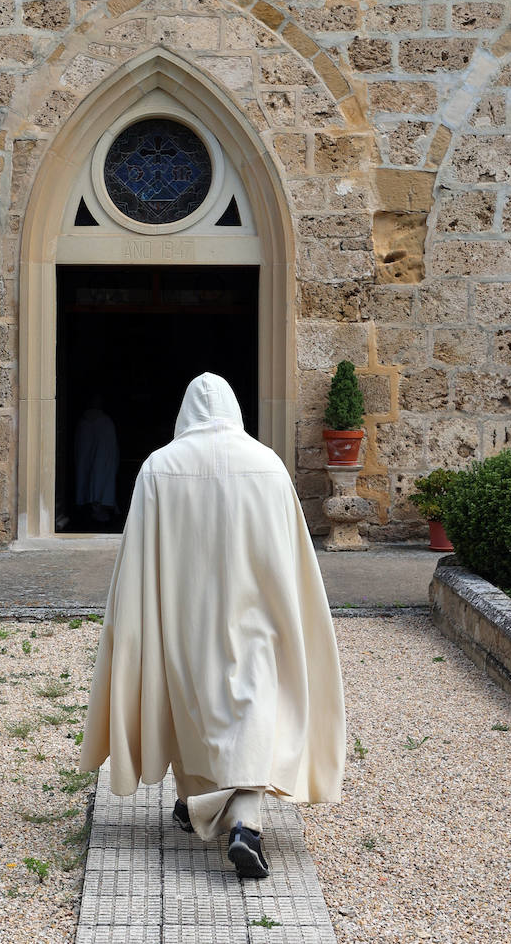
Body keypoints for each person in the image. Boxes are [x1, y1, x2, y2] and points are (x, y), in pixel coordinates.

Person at [79, 372, 346, 879]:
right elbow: (291, 555)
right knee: (251, 708)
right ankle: (233, 817)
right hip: (258, 617)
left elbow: (138, 558)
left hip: (186, 617)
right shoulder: (267, 464)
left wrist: (139, 622)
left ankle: (210, 806)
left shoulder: (160, 467)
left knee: (195, 707)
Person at [73, 394, 119, 523]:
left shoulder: (83, 423)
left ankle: (90, 504)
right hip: (102, 466)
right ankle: (98, 505)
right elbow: (111, 452)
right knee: (99, 481)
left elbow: (79, 451)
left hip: (88, 466)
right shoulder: (106, 422)